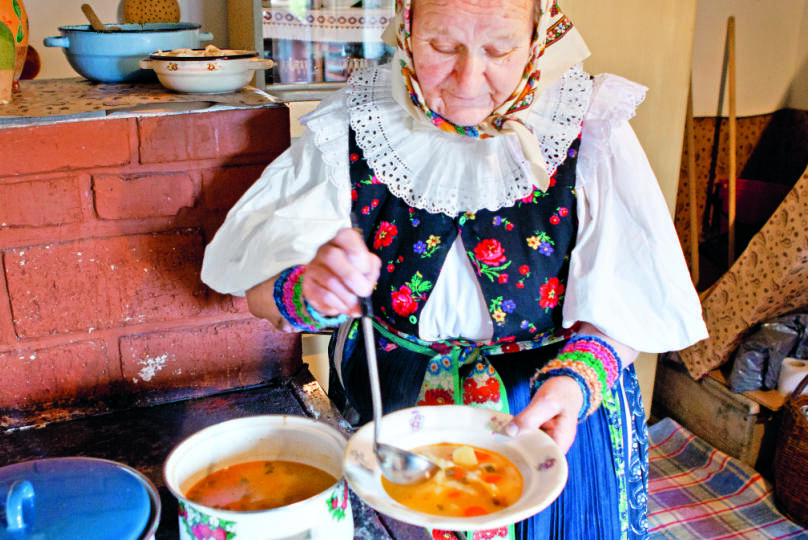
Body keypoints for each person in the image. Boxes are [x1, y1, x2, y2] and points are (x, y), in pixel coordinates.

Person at [202, 0, 707, 537]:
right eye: (441, 46)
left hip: (547, 418)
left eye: (499, 49)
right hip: (396, 413)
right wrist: (311, 289)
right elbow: (257, 291)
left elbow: (632, 305)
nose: (469, 78)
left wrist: (576, 383)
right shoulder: (358, 121)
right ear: (407, 27)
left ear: (539, 34)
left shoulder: (589, 125)